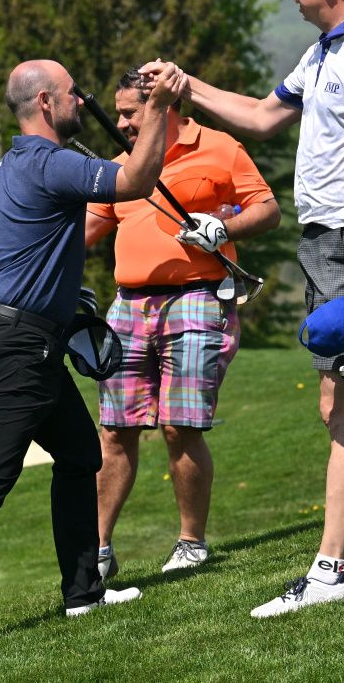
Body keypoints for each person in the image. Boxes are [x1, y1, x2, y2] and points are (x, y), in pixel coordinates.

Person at [144, 0, 344, 617]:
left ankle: (331, 569)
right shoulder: (324, 51)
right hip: (326, 241)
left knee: (342, 399)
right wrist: (185, 84)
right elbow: (265, 117)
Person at [0, 59, 186, 656]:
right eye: (71, 94)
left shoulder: (4, 169)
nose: (81, 102)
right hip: (18, 343)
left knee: (81, 455)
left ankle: (83, 592)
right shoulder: (51, 162)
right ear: (44, 103)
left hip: (18, 336)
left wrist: (33, 285)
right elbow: (136, 182)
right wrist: (158, 106)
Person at [85, 71, 280, 579]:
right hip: (128, 304)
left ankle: (191, 541)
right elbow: (85, 230)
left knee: (180, 426)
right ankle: (97, 550)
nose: (121, 123)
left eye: (130, 112)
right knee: (114, 430)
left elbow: (268, 210)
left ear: (164, 106)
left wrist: (224, 227)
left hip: (198, 296)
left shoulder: (219, 147)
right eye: (119, 113)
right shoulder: (122, 168)